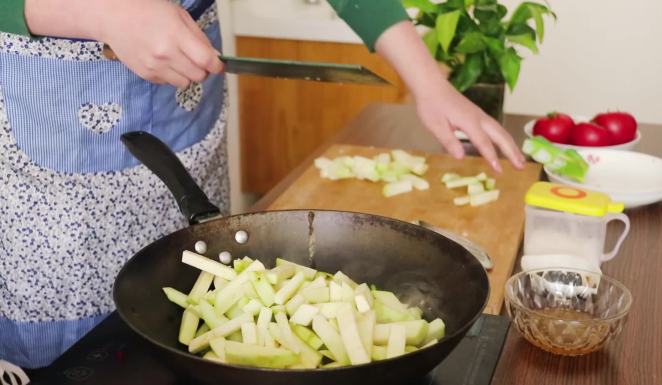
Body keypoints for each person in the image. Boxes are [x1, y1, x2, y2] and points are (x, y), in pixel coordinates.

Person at [0, 0, 524, 369]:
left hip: (183, 104)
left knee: (192, 275)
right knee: (77, 357)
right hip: (50, 131)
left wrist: (429, 82)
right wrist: (99, 10)